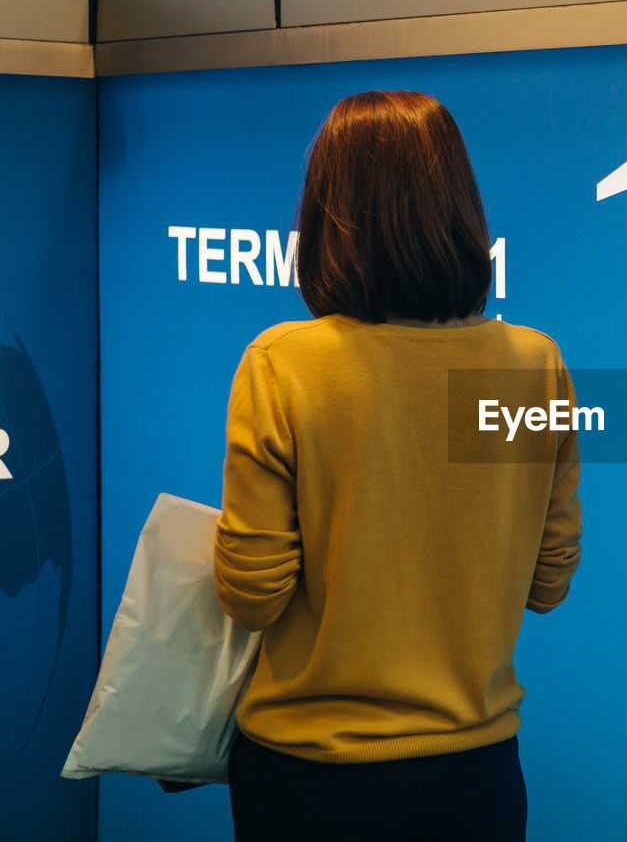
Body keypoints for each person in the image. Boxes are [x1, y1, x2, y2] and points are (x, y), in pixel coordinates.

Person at [212, 90, 583, 842]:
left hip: (308, 780)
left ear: (327, 217)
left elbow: (251, 595)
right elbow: (549, 582)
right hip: (476, 778)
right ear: (460, 207)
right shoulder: (535, 366)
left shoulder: (283, 364)